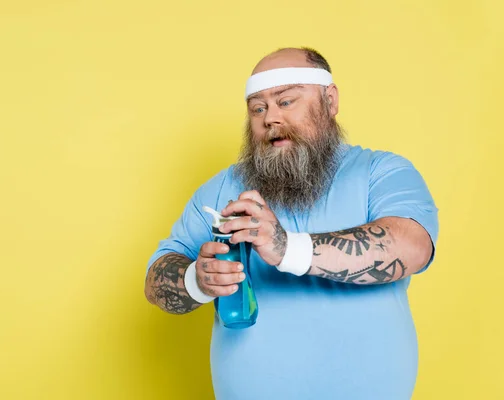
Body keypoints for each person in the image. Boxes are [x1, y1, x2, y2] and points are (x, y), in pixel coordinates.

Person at [144, 47, 438, 400]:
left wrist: (287, 248)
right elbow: (157, 278)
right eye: (258, 108)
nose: (270, 118)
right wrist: (196, 279)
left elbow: (412, 246)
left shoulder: (381, 172)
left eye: (286, 102)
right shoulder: (221, 189)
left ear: (330, 101)